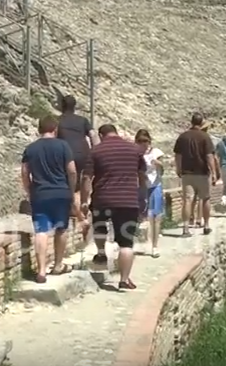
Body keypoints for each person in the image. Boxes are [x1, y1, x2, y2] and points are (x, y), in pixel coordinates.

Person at [80, 124, 146, 290]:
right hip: (128, 201)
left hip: (102, 199)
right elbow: (142, 176)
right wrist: (143, 197)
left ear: (101, 135)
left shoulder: (96, 151)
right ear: (116, 132)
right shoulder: (135, 150)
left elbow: (86, 178)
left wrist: (83, 200)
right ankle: (124, 279)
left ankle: (101, 253)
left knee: (100, 227)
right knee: (126, 244)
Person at [20, 116, 80, 284]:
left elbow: (25, 173)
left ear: (40, 129)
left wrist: (29, 190)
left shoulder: (30, 148)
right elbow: (72, 171)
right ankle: (58, 265)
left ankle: (41, 272)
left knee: (41, 230)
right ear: (55, 129)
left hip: (40, 194)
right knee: (61, 229)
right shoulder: (63, 146)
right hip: (61, 193)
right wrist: (71, 190)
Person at [56, 94, 97, 239]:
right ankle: (85, 202)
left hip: (66, 154)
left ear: (61, 105)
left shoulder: (58, 121)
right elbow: (93, 136)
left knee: (69, 180)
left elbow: (54, 138)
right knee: (86, 177)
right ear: (75, 106)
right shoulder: (83, 120)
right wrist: (96, 151)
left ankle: (71, 207)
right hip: (84, 152)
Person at [174, 113, 217, 236]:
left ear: (191, 122)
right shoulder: (205, 137)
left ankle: (186, 228)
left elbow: (178, 155)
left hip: (187, 173)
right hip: (202, 173)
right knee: (205, 199)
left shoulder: (183, 137)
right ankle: (206, 225)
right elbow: (209, 156)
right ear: (201, 122)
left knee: (187, 200)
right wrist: (213, 172)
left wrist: (178, 168)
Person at [135, 129, 164, 258]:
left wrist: (158, 164)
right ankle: (137, 242)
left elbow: (162, 169)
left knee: (155, 217)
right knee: (139, 216)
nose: (143, 144)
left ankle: (155, 246)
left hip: (154, 186)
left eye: (145, 141)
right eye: (140, 141)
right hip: (140, 187)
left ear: (149, 141)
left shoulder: (156, 153)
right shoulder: (135, 154)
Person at [188, 122, 220, 227]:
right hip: (203, 171)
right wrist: (215, 171)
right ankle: (199, 219)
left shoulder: (190, 139)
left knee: (192, 197)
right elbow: (212, 157)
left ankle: (191, 217)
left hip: (190, 171)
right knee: (203, 197)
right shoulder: (207, 139)